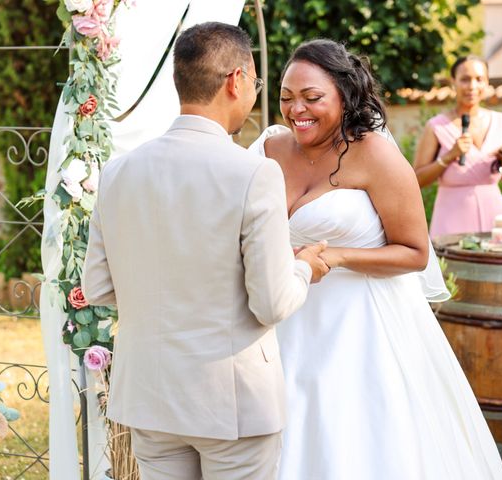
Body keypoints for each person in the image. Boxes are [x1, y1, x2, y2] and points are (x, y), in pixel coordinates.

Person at [249, 40, 502, 479]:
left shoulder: (375, 154)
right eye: (287, 98)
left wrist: (336, 256)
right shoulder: (272, 149)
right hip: (285, 321)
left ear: (345, 94)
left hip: (361, 326)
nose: (297, 110)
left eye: (312, 98)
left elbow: (414, 251)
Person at [82, 22, 330, 480]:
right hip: (230, 401)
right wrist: (303, 268)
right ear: (236, 81)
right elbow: (272, 302)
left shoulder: (118, 172)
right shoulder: (254, 173)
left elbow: (96, 287)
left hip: (149, 395)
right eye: (256, 83)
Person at [414, 55, 502, 238]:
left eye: (479, 79)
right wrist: (449, 156)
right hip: (451, 218)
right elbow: (417, 179)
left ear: (487, 83)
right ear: (453, 82)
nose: (472, 86)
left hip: (493, 217)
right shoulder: (436, 126)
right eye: (465, 79)